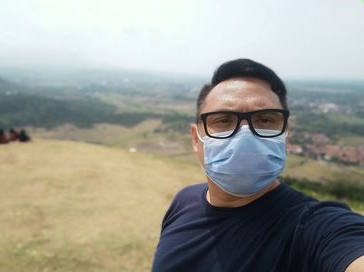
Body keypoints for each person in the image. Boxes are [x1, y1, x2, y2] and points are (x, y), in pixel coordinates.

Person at [152, 59, 364, 272]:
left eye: (266, 119)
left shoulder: (314, 227)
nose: (245, 134)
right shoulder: (184, 202)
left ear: (285, 135)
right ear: (196, 138)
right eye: (223, 120)